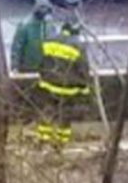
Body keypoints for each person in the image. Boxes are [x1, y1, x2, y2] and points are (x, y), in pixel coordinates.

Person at [32, 19, 91, 147]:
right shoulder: (78, 46)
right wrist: (84, 87)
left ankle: (43, 139)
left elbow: (39, 61)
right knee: (65, 116)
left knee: (47, 111)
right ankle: (60, 143)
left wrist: (43, 76)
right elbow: (83, 69)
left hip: (48, 85)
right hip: (67, 89)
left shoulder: (49, 40)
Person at [10, 0, 53, 75]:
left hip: (44, 68)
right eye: (42, 8)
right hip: (27, 68)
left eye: (46, 9)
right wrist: (14, 66)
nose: (44, 11)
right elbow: (17, 47)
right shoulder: (25, 26)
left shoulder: (48, 25)